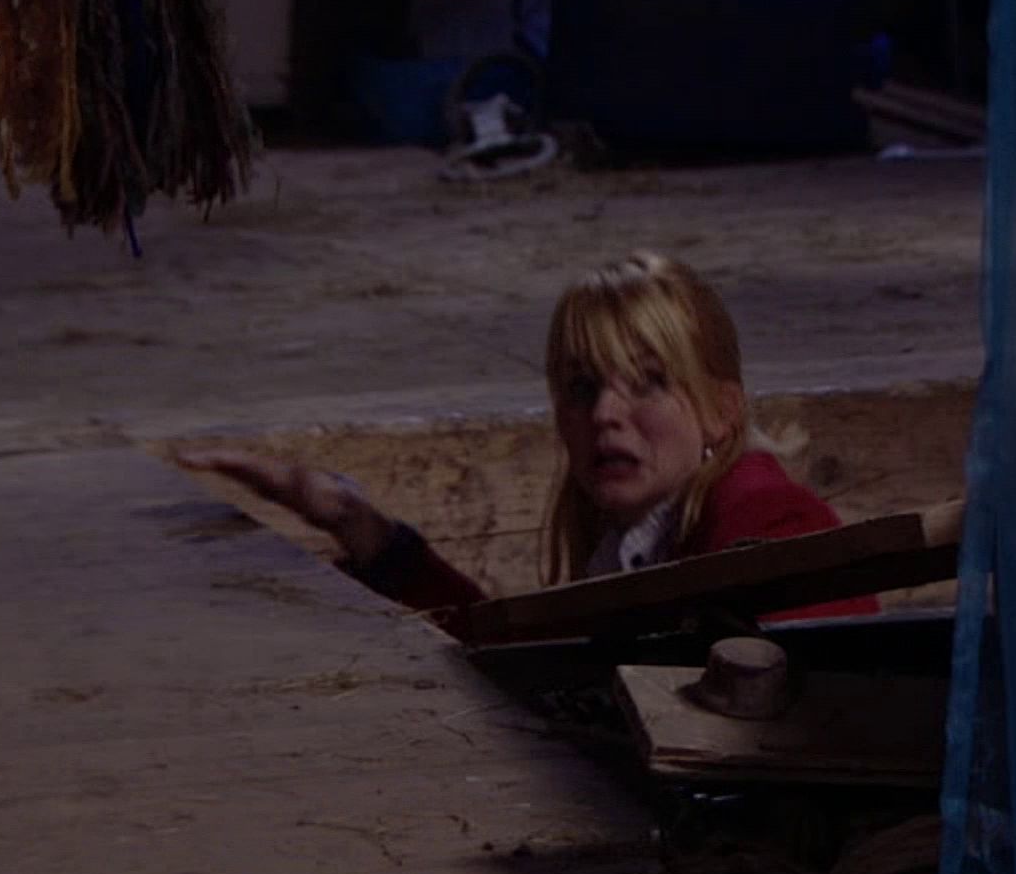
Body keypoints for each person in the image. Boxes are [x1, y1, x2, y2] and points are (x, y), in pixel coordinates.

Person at [179, 253, 880, 635]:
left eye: (647, 383)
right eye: (581, 388)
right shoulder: (636, 539)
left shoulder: (771, 524)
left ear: (721, 411)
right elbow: (524, 659)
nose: (605, 414)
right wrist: (353, 522)